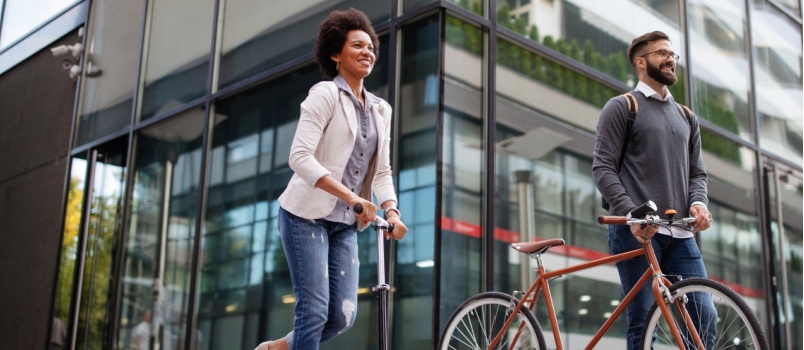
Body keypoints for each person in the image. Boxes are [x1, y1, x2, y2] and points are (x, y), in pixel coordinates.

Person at [255, 8, 408, 350]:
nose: (367, 51)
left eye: (370, 46)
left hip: (344, 224)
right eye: (357, 45)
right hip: (304, 216)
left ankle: (280, 348)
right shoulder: (324, 94)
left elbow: (381, 171)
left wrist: (392, 211)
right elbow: (299, 157)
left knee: (342, 315)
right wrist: (352, 198)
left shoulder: (382, 110)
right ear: (336, 54)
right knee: (314, 310)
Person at [592, 31, 716, 350]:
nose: (670, 58)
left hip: (680, 233)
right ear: (641, 62)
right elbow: (602, 168)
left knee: (705, 316)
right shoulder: (623, 107)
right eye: (662, 53)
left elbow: (697, 173)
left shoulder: (687, 116)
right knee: (645, 319)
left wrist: (698, 202)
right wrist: (630, 212)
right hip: (637, 231)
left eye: (672, 53)